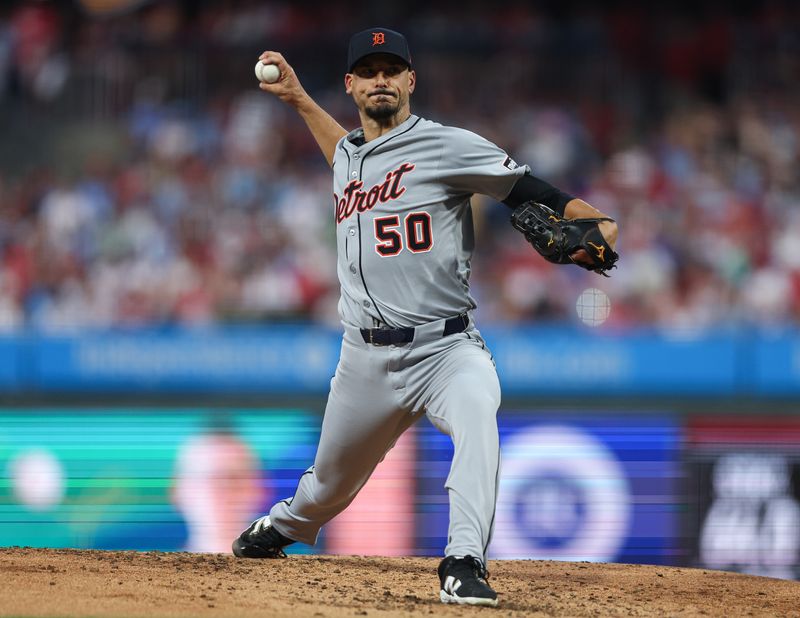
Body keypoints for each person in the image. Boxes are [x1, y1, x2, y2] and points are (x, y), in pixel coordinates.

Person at [232, 27, 618, 607]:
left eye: (391, 69)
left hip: (447, 349)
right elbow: (343, 151)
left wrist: (601, 226)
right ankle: (287, 525)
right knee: (328, 487)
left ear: (411, 80)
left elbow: (533, 190)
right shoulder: (349, 155)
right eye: (369, 70)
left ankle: (464, 561)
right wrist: (298, 99)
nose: (381, 79)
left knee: (478, 417)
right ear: (352, 85)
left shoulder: (448, 146)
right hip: (363, 358)